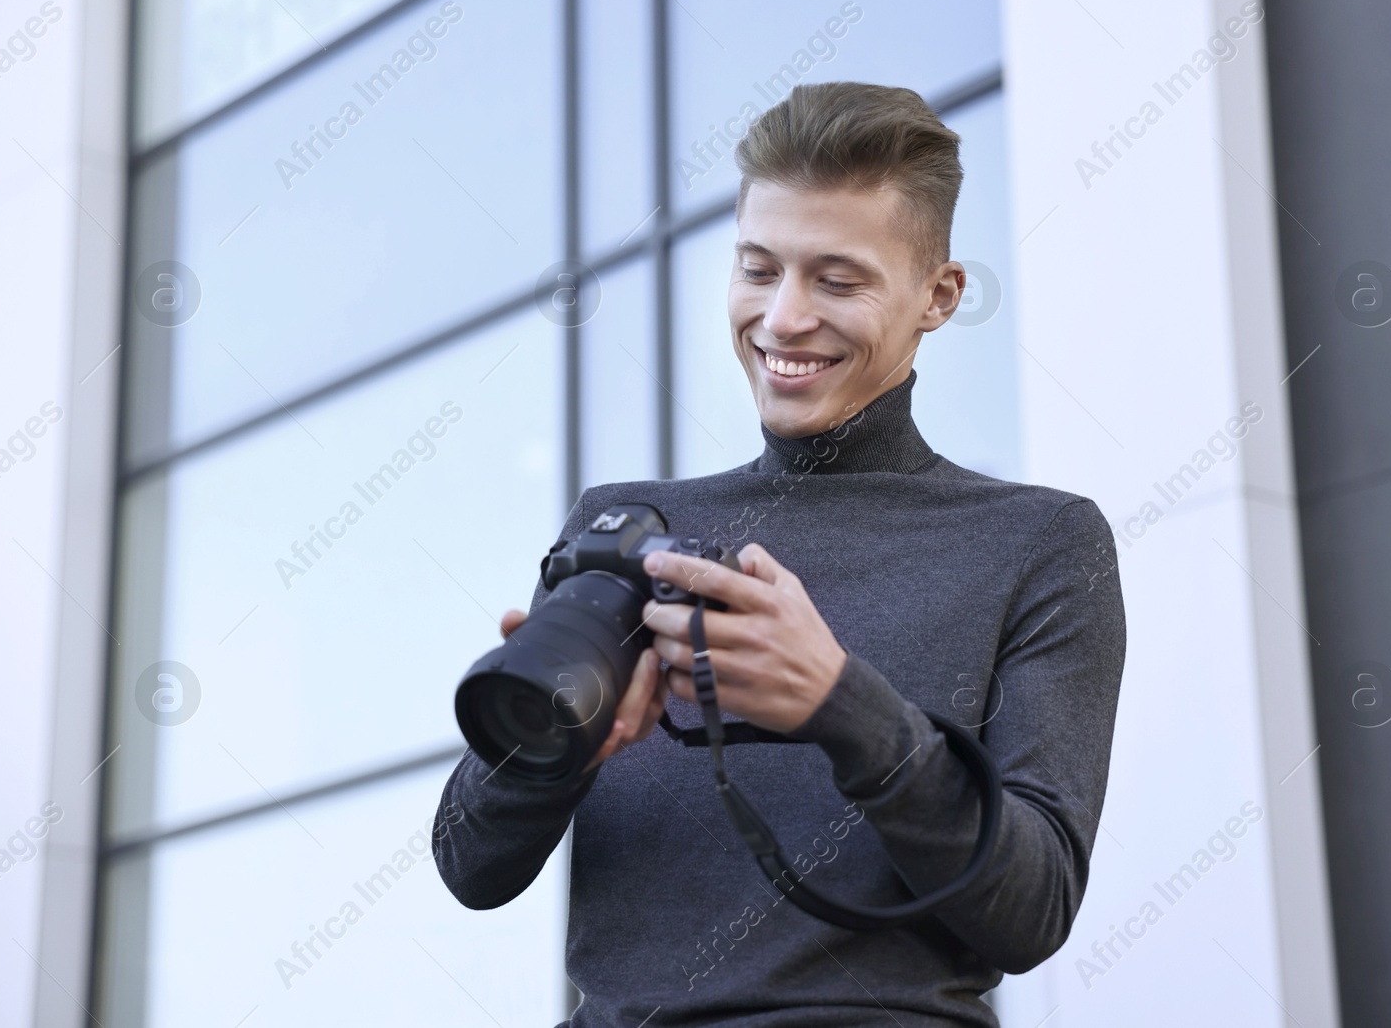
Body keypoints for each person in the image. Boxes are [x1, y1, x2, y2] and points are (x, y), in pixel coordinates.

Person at [434, 80, 1126, 1026]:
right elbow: (470, 867)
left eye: (836, 281)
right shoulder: (627, 527)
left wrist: (843, 705)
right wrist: (553, 751)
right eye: (758, 270)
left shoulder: (1039, 541)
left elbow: (1033, 907)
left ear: (940, 295)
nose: (784, 318)